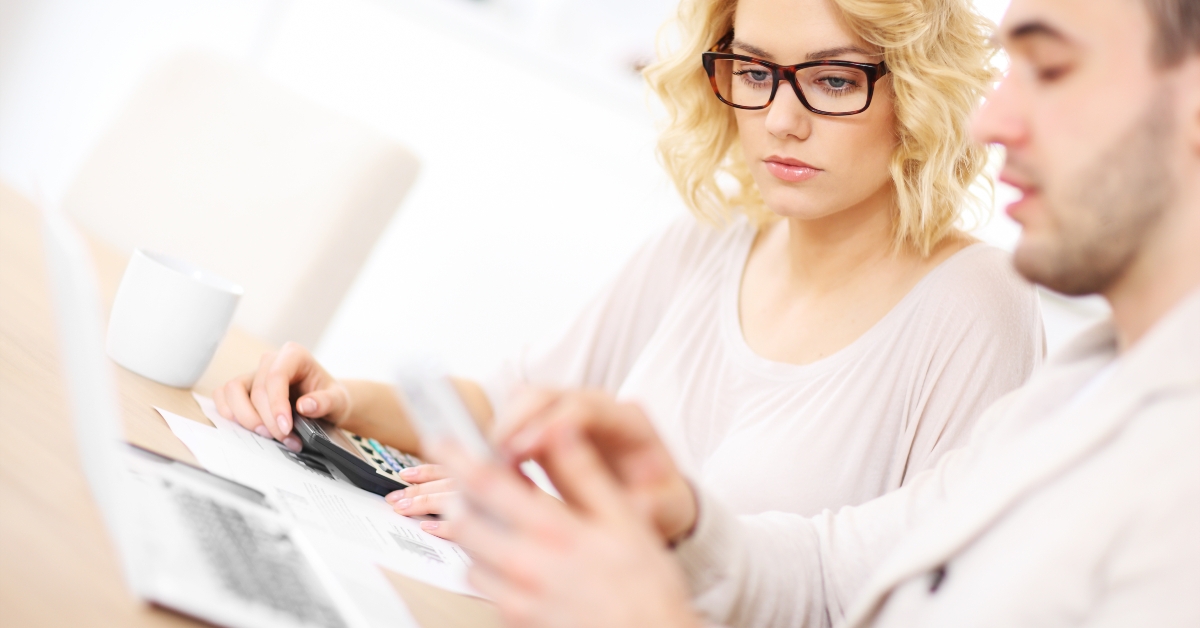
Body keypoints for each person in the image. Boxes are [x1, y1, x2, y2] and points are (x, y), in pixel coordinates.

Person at [436, 0, 1200, 625]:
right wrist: (684, 520)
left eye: (1054, 69)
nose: (988, 125)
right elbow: (837, 572)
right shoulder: (1083, 381)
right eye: (755, 72)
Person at [214, 0, 1044, 538]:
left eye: (831, 80)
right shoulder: (713, 241)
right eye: (753, 72)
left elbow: (918, 601)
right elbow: (506, 406)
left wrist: (569, 537)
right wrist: (341, 400)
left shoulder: (977, 308)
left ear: (921, 92)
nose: (780, 120)